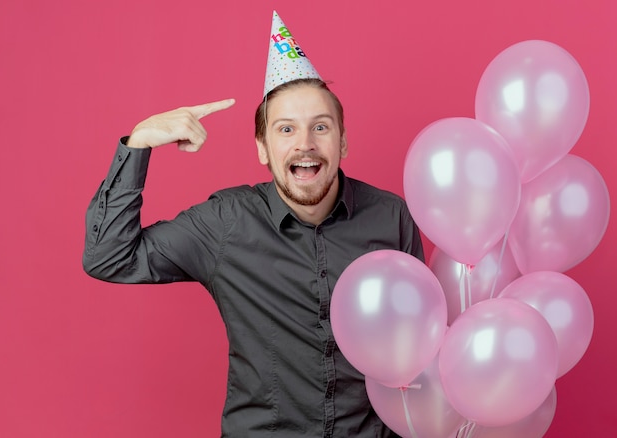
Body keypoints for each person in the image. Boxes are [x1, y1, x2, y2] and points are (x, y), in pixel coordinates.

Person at [83, 11, 423, 438]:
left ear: (343, 141)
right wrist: (139, 144)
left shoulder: (392, 218)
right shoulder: (225, 223)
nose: (305, 143)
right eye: (286, 129)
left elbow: (419, 347)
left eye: (321, 127)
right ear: (263, 148)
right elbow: (107, 257)